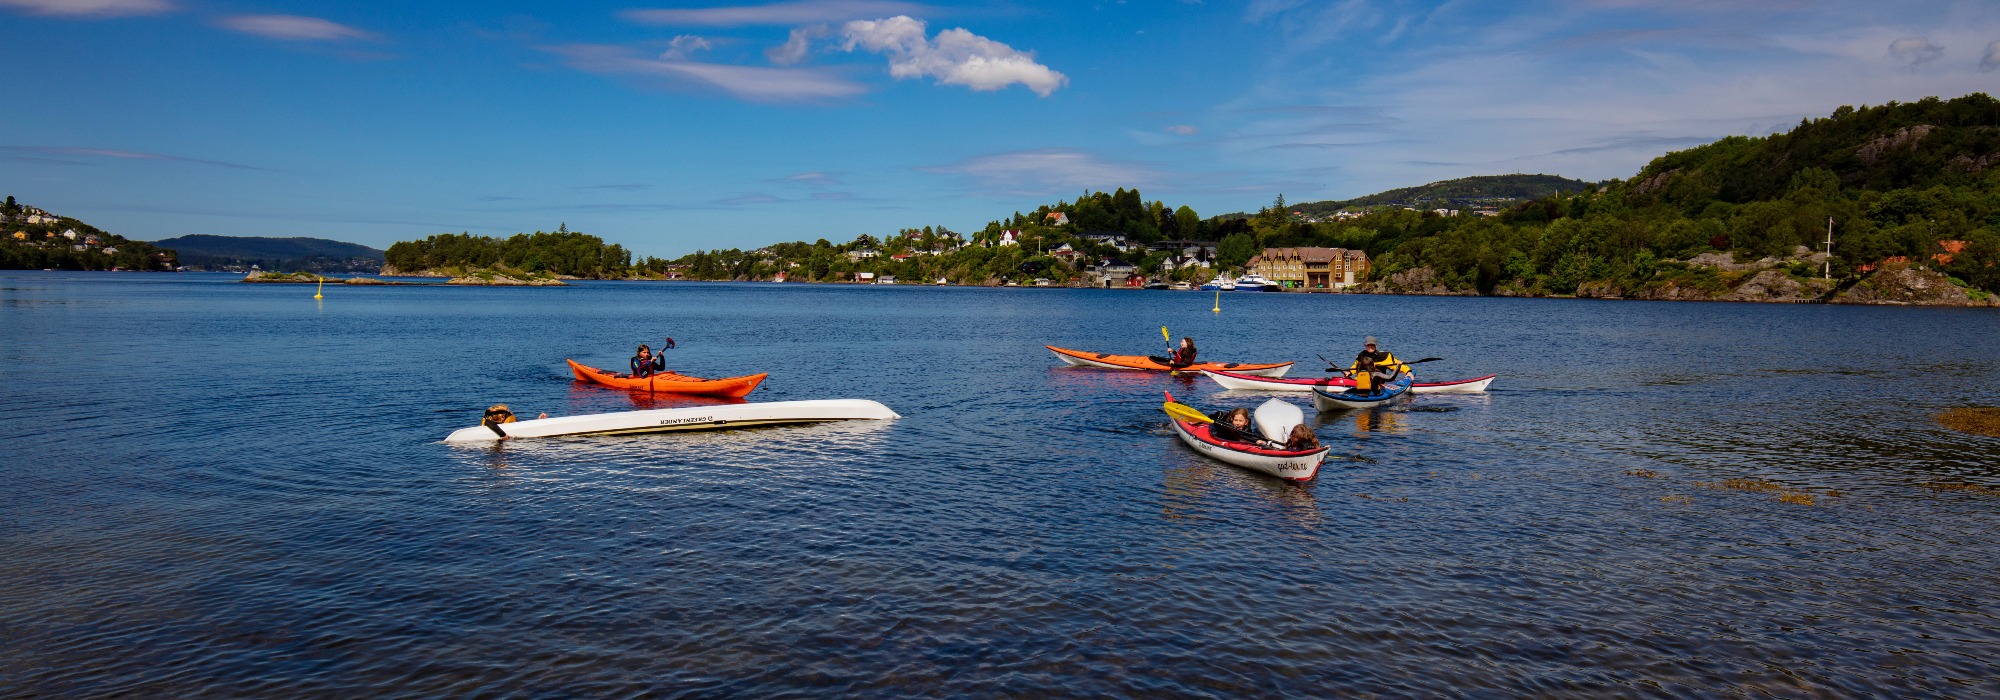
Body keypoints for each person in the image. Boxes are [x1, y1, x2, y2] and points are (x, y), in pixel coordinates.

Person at [481, 404, 546, 440]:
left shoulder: (509, 426)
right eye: (509, 412)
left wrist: (538, 421)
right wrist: (503, 435)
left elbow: (523, 427)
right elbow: (488, 422)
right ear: (502, 416)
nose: (511, 413)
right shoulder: (489, 424)